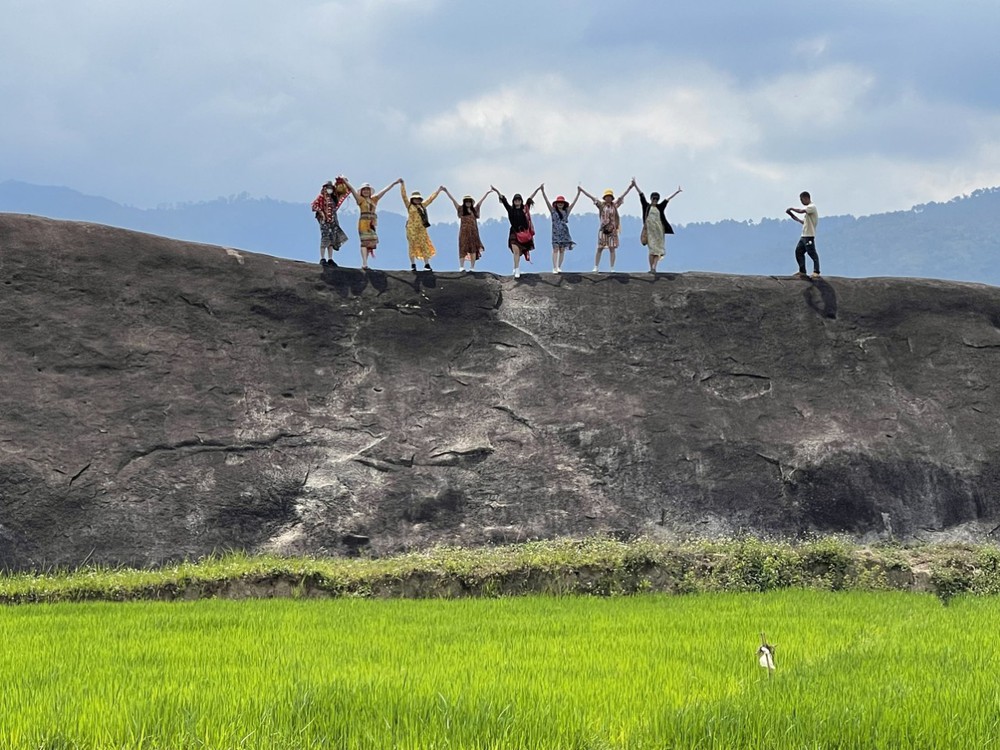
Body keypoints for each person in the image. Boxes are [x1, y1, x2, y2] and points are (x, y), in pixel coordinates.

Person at [580, 182, 635, 272]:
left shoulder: (614, 205)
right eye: (607, 196)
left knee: (612, 248)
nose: (608, 198)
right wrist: (582, 190)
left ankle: (612, 267)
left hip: (612, 230)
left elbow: (622, 197)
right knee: (599, 248)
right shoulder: (601, 205)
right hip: (603, 229)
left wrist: (630, 187)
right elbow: (592, 198)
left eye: (610, 196)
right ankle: (596, 266)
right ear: (605, 198)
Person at [347, 179, 401, 270]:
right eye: (364, 190)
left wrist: (393, 183)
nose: (366, 191)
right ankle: (364, 263)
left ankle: (365, 262)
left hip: (372, 223)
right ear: (361, 191)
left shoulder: (374, 199)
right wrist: (345, 181)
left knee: (370, 243)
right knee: (364, 242)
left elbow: (384, 191)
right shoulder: (360, 200)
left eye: (367, 190)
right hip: (364, 223)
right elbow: (352, 190)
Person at [494, 185, 541, 279]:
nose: (517, 202)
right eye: (516, 200)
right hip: (514, 233)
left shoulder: (525, 209)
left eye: (519, 200)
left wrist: (538, 189)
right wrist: (496, 191)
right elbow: (503, 200)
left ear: (521, 201)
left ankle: (516, 267)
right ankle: (516, 269)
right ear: (514, 201)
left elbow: (530, 198)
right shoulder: (511, 210)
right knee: (516, 251)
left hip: (524, 234)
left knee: (519, 252)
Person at [636, 181, 682, 273]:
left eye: (656, 199)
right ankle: (651, 267)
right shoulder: (646, 206)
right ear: (651, 198)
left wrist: (676, 192)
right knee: (651, 250)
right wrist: (635, 185)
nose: (655, 200)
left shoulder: (660, 207)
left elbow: (667, 199)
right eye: (654, 199)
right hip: (650, 232)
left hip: (659, 232)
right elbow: (641, 195)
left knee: (658, 251)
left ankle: (654, 268)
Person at [441, 187, 491, 271]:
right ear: (464, 202)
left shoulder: (474, 210)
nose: (468, 203)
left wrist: (487, 193)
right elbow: (453, 200)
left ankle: (472, 267)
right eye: (466, 201)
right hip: (464, 232)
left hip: (473, 232)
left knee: (473, 249)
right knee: (462, 248)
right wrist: (446, 191)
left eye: (469, 201)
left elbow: (480, 203)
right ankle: (461, 266)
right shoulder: (461, 209)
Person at [400, 180, 443, 272]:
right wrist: (402, 184)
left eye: (418, 199)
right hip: (411, 228)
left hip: (421, 228)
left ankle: (427, 264)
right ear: (412, 199)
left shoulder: (422, 206)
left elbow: (431, 199)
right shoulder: (409, 206)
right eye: (415, 198)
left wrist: (438, 191)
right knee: (412, 245)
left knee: (424, 244)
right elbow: (404, 196)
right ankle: (413, 264)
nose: (417, 200)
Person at [540, 185, 582, 273]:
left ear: (564, 204)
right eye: (559, 202)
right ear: (556, 203)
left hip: (564, 233)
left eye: (562, 203)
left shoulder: (566, 211)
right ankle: (554, 267)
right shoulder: (553, 211)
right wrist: (543, 192)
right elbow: (546, 201)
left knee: (562, 250)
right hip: (555, 232)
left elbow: (573, 204)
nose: (560, 204)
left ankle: (559, 266)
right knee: (555, 249)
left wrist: (578, 193)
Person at [310, 178, 350, 266]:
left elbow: (342, 193)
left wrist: (342, 182)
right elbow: (314, 205)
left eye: (330, 187)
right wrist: (321, 213)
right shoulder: (321, 197)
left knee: (332, 240)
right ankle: (322, 258)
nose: (329, 189)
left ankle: (330, 259)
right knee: (325, 238)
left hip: (332, 221)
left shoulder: (333, 198)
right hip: (324, 221)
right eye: (327, 187)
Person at [786, 191, 820, 279]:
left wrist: (792, 208)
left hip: (809, 235)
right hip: (804, 236)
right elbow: (802, 222)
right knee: (798, 252)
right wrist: (792, 215)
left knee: (812, 253)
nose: (801, 202)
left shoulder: (812, 207)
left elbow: (801, 211)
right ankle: (802, 271)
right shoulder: (808, 213)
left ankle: (816, 271)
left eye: (801, 200)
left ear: (806, 198)